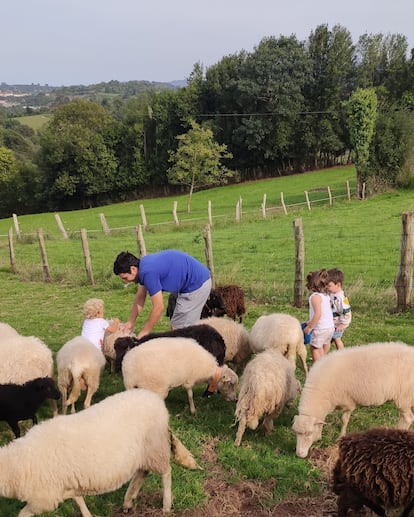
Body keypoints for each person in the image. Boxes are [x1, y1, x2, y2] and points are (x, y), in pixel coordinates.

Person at [113, 250, 212, 338]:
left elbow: (159, 307)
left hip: (197, 285)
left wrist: (145, 332)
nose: (126, 282)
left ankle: (190, 354)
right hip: (194, 281)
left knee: (180, 330)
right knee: (179, 327)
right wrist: (130, 322)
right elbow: (140, 297)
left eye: (125, 278)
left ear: (133, 269)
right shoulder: (143, 265)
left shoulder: (148, 273)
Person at [303, 268, 334, 363]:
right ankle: (323, 362)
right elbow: (325, 312)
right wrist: (310, 321)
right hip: (330, 327)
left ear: (312, 285)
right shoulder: (326, 296)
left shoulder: (315, 297)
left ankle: (318, 368)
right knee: (324, 344)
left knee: (315, 348)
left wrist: (310, 327)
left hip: (320, 329)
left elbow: (318, 313)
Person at [327, 268, 352, 350]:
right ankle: (322, 356)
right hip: (332, 322)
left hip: (338, 324)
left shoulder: (341, 298)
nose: (327, 287)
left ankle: (342, 355)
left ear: (338, 285)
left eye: (329, 285)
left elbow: (347, 312)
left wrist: (343, 324)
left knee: (337, 339)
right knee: (328, 340)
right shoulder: (332, 294)